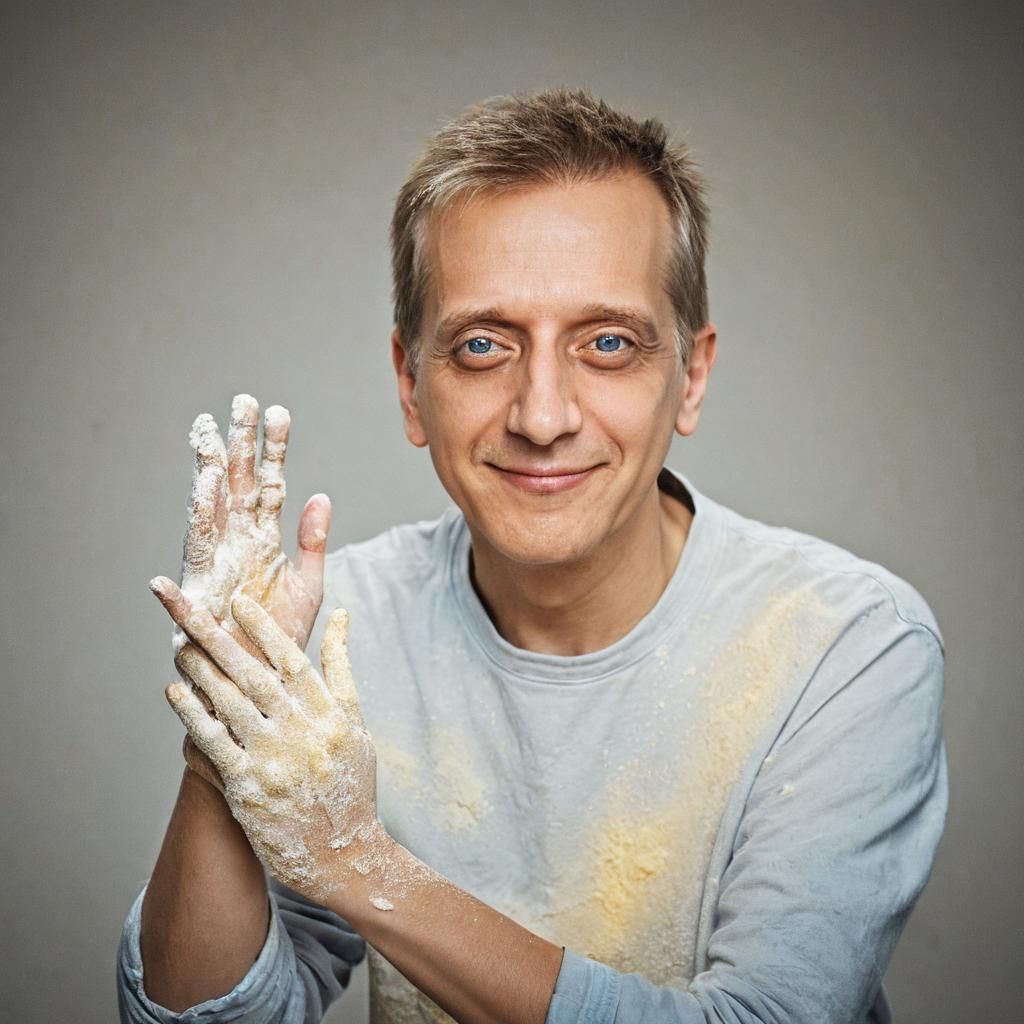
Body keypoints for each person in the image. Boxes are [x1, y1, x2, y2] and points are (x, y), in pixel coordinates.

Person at [117, 89, 947, 1024]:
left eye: (607, 343)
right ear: (410, 385)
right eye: (481, 346)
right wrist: (224, 740)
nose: (542, 416)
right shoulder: (337, 626)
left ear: (692, 376)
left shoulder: (847, 644)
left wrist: (360, 865)